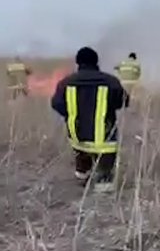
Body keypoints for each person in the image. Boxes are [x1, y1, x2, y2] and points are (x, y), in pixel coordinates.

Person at [50, 47, 129, 192]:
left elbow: (56, 104)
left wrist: (71, 115)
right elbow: (123, 102)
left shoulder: (66, 83)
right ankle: (103, 194)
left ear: (78, 62)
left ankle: (82, 177)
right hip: (105, 139)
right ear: (96, 62)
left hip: (78, 136)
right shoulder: (111, 81)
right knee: (105, 175)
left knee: (82, 156)